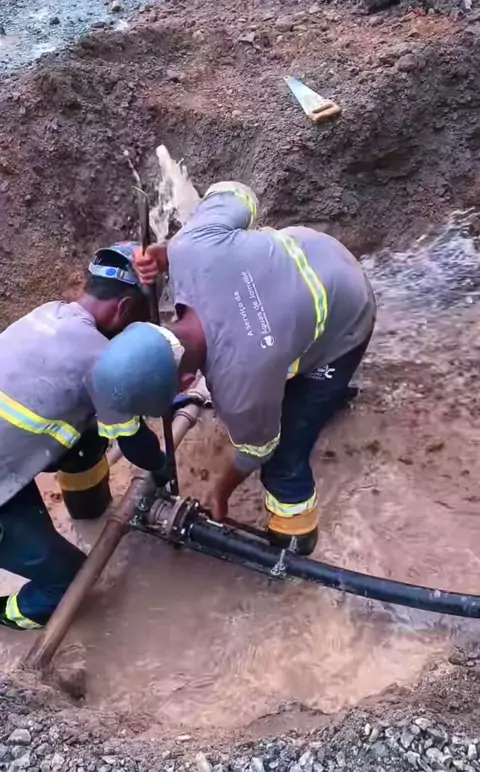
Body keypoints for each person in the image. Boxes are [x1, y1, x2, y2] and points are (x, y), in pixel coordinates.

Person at [90, 183, 376, 557]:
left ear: (187, 381)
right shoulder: (191, 247)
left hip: (349, 312)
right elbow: (236, 192)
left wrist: (220, 491)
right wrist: (168, 253)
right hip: (317, 250)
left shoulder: (240, 386)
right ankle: (322, 395)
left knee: (284, 456)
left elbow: (258, 448)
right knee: (279, 373)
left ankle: (295, 542)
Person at [0, 242, 172, 631]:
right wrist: (163, 471)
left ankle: (87, 507)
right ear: (124, 308)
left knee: (89, 435)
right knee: (71, 582)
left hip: (7, 461)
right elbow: (137, 448)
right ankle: (9, 611)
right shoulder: (100, 360)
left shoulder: (48, 313)